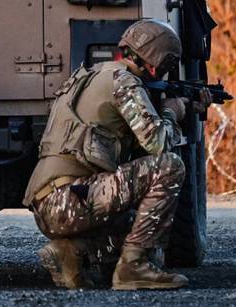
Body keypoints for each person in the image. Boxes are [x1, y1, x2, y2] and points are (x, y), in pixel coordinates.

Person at [22, 19, 195, 290]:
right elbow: (158, 144)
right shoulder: (123, 82)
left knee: (133, 224)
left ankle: (72, 252)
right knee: (170, 166)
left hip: (52, 202)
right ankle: (133, 268)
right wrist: (173, 112)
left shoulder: (93, 75)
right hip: (70, 199)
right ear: (158, 63)